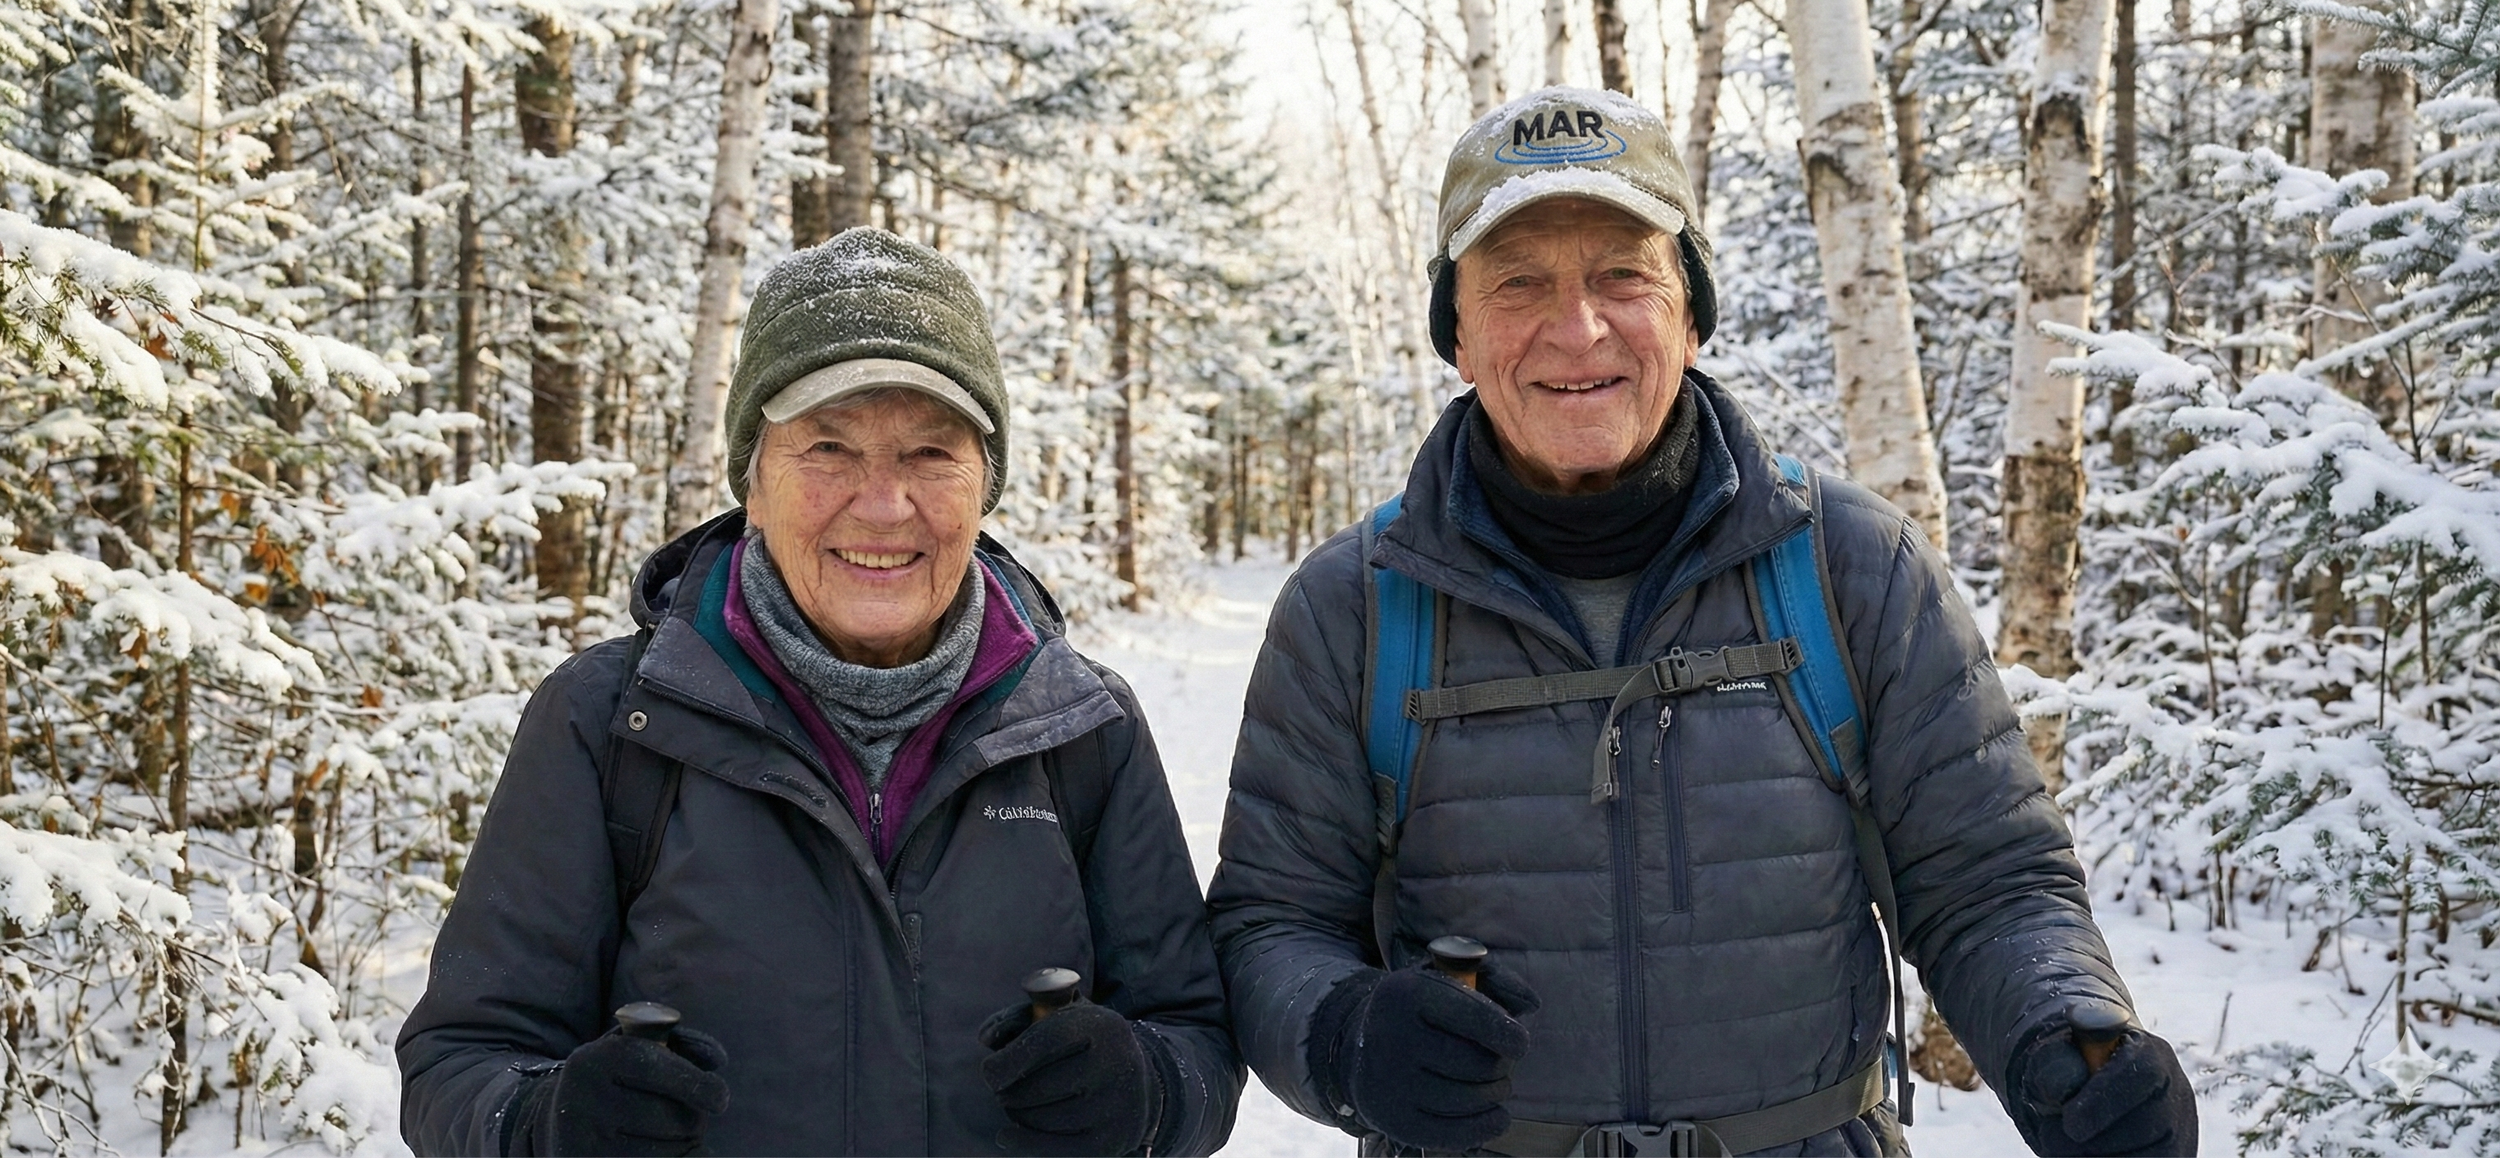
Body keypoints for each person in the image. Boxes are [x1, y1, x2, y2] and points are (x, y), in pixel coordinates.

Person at [1207, 88, 2196, 1158]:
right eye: (1519, 282)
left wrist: (2066, 1035)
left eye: (1622, 274)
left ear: (1689, 310)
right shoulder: (1353, 607)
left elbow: (1989, 883)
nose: (1577, 328)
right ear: (1459, 332)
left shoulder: (1851, 569)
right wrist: (1341, 1036)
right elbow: (1272, 924)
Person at [397, 227, 1240, 1157]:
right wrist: (542, 1124)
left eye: (929, 453)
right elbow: (462, 1059)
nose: (882, 505)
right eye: (828, 449)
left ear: (983, 486)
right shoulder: (609, 727)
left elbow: (1194, 1038)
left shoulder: (1081, 729)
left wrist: (1148, 1091)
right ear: (752, 485)